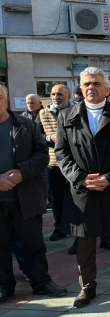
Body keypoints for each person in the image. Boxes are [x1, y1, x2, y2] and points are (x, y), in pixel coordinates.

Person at [55, 67, 110, 307]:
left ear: (107, 88)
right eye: (86, 84)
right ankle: (87, 287)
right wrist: (79, 177)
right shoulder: (66, 115)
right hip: (83, 189)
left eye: (96, 83)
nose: (91, 88)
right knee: (85, 241)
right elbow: (61, 152)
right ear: (80, 89)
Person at [0, 84, 68, 303]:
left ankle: (41, 282)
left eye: (0, 97)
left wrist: (22, 172)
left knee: (34, 244)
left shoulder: (25, 124)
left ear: (7, 98)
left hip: (25, 198)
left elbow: (42, 155)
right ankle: (3, 286)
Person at [38, 84, 71, 242]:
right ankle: (59, 228)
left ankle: (78, 230)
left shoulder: (77, 110)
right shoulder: (43, 113)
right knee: (56, 198)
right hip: (54, 163)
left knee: (75, 197)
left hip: (74, 163)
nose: (56, 97)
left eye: (60, 94)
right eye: (53, 94)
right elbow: (37, 136)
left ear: (68, 96)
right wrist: (48, 138)